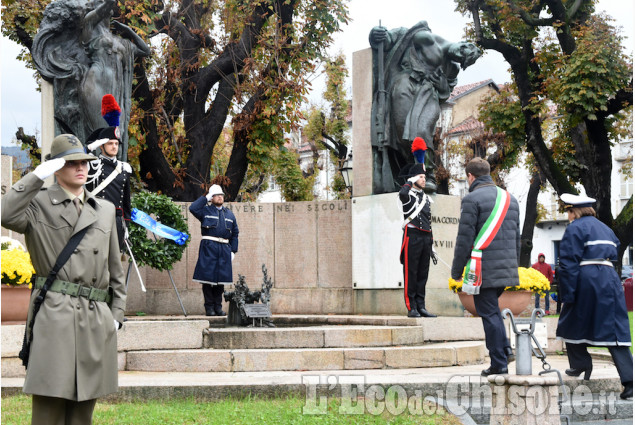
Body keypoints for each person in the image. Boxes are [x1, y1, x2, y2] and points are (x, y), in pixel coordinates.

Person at [1, 134, 126, 425]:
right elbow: (5, 213)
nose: (80, 168)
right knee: (49, 407)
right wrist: (35, 177)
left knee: (84, 410)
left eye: (84, 162)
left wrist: (116, 314)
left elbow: (114, 268)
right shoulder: (38, 204)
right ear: (56, 168)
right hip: (55, 312)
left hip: (95, 317)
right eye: (71, 163)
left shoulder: (103, 209)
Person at [369, 21, 481, 193]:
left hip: (428, 94)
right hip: (405, 83)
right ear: (463, 44)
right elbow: (400, 39)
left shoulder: (452, 69)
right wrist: (382, 36)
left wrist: (442, 85)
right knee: (401, 130)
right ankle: (410, 169)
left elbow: (446, 91)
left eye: (462, 59)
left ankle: (426, 174)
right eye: (462, 52)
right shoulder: (425, 36)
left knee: (422, 130)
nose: (458, 57)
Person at [32, 0, 150, 160]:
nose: (109, 12)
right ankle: (91, 174)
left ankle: (108, 172)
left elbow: (145, 50)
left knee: (114, 133)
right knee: (100, 133)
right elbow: (108, 4)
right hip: (95, 83)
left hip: (114, 88)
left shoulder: (120, 42)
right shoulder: (89, 27)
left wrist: (128, 31)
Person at [555, 193, 632, 400]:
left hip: (586, 279)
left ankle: (580, 363)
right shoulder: (606, 228)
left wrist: (568, 295)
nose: (568, 216)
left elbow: (568, 262)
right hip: (609, 278)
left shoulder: (574, 228)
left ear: (574, 211)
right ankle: (630, 380)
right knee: (614, 328)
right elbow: (615, 252)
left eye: (569, 211)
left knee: (569, 321)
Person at [450, 157, 520, 376]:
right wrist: (514, 266)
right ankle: (505, 349)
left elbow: (464, 239)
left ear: (470, 176)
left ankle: (499, 362)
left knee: (488, 313)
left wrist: (456, 271)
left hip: (483, 270)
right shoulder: (511, 199)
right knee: (492, 311)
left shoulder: (471, 199)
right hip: (506, 268)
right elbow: (516, 238)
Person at [190, 184, 239, 316]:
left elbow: (235, 233)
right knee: (208, 280)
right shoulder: (205, 211)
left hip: (224, 249)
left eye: (221, 195)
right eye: (216, 195)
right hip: (209, 247)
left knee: (220, 280)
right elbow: (192, 208)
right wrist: (205, 197)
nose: (220, 197)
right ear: (211, 198)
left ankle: (218, 307)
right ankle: (209, 308)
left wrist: (233, 251)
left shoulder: (229, 214)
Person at [85, 126, 132, 251]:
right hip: (97, 219)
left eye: (116, 143)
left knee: (114, 262)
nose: (114, 146)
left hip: (117, 222)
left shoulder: (124, 168)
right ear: (101, 146)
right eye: (110, 143)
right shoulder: (93, 165)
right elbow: (75, 159)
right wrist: (89, 149)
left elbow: (126, 201)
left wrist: (126, 225)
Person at [399, 163, 437, 318]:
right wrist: (410, 181)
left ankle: (421, 306)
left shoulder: (426, 198)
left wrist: (432, 244)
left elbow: (428, 221)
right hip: (412, 236)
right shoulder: (408, 195)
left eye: (424, 176)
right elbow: (402, 194)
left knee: (423, 274)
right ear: (413, 178)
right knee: (411, 272)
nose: (423, 179)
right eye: (420, 177)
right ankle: (411, 306)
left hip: (425, 237)